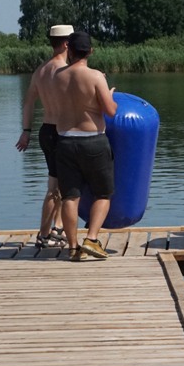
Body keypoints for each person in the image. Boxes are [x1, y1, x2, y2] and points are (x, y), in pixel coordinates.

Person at [53, 31, 118, 260]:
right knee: (103, 194)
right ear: (90, 51)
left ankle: (72, 248)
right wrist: (108, 94)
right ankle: (91, 239)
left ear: (69, 50)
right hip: (93, 141)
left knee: (70, 196)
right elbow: (110, 111)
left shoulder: (57, 77)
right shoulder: (96, 76)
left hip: (65, 141)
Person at [15, 24, 73, 249]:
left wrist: (26, 131)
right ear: (67, 43)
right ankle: (44, 233)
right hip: (61, 133)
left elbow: (29, 102)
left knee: (60, 185)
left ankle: (57, 227)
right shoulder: (65, 71)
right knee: (55, 187)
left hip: (46, 131)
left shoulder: (40, 70)